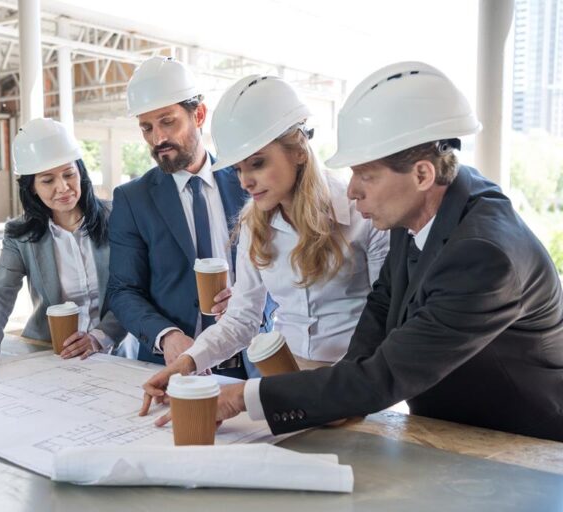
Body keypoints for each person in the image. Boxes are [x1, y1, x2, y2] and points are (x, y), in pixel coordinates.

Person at [147, 61, 563, 442]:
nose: (352, 190)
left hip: (518, 437)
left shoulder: (484, 256)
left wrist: (243, 397)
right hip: (444, 420)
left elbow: (385, 373)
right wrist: (344, 388)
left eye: (365, 175)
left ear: (422, 173)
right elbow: (381, 307)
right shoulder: (422, 206)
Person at [140, 74, 388, 410]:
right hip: (282, 377)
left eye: (257, 164)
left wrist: (342, 388)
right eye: (240, 169)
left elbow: (386, 317)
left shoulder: (362, 214)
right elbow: (242, 317)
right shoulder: (253, 223)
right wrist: (186, 363)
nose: (245, 182)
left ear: (299, 151)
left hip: (356, 378)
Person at [106, 57, 274, 379]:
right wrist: (164, 335)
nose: (157, 139)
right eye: (147, 127)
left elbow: (282, 271)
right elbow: (122, 290)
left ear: (198, 115)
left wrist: (251, 301)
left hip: (250, 364)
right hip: (172, 370)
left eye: (167, 122)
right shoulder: (132, 199)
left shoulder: (249, 184)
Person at [0, 118, 126, 381]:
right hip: (51, 355)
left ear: (81, 172)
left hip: (116, 352)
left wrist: (99, 337)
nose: (62, 187)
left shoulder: (118, 217)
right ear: (32, 188)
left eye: (69, 174)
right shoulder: (21, 235)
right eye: (47, 180)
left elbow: (134, 288)